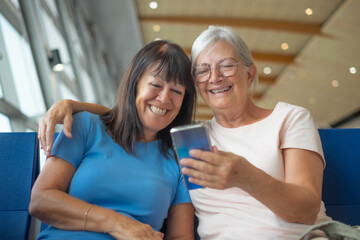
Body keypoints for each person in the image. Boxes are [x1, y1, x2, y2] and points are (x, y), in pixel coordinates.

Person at [37, 26, 331, 240]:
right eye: (203, 71)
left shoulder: (286, 118)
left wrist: (244, 175)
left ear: (250, 74)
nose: (215, 77)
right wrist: (70, 105)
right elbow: (131, 116)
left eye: (227, 66)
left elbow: (305, 209)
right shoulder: (186, 140)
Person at [30, 40, 197, 240]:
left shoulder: (182, 159)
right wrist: (116, 223)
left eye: (177, 91)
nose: (164, 98)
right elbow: (41, 200)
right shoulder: (86, 126)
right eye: (155, 84)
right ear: (134, 84)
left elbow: (181, 236)